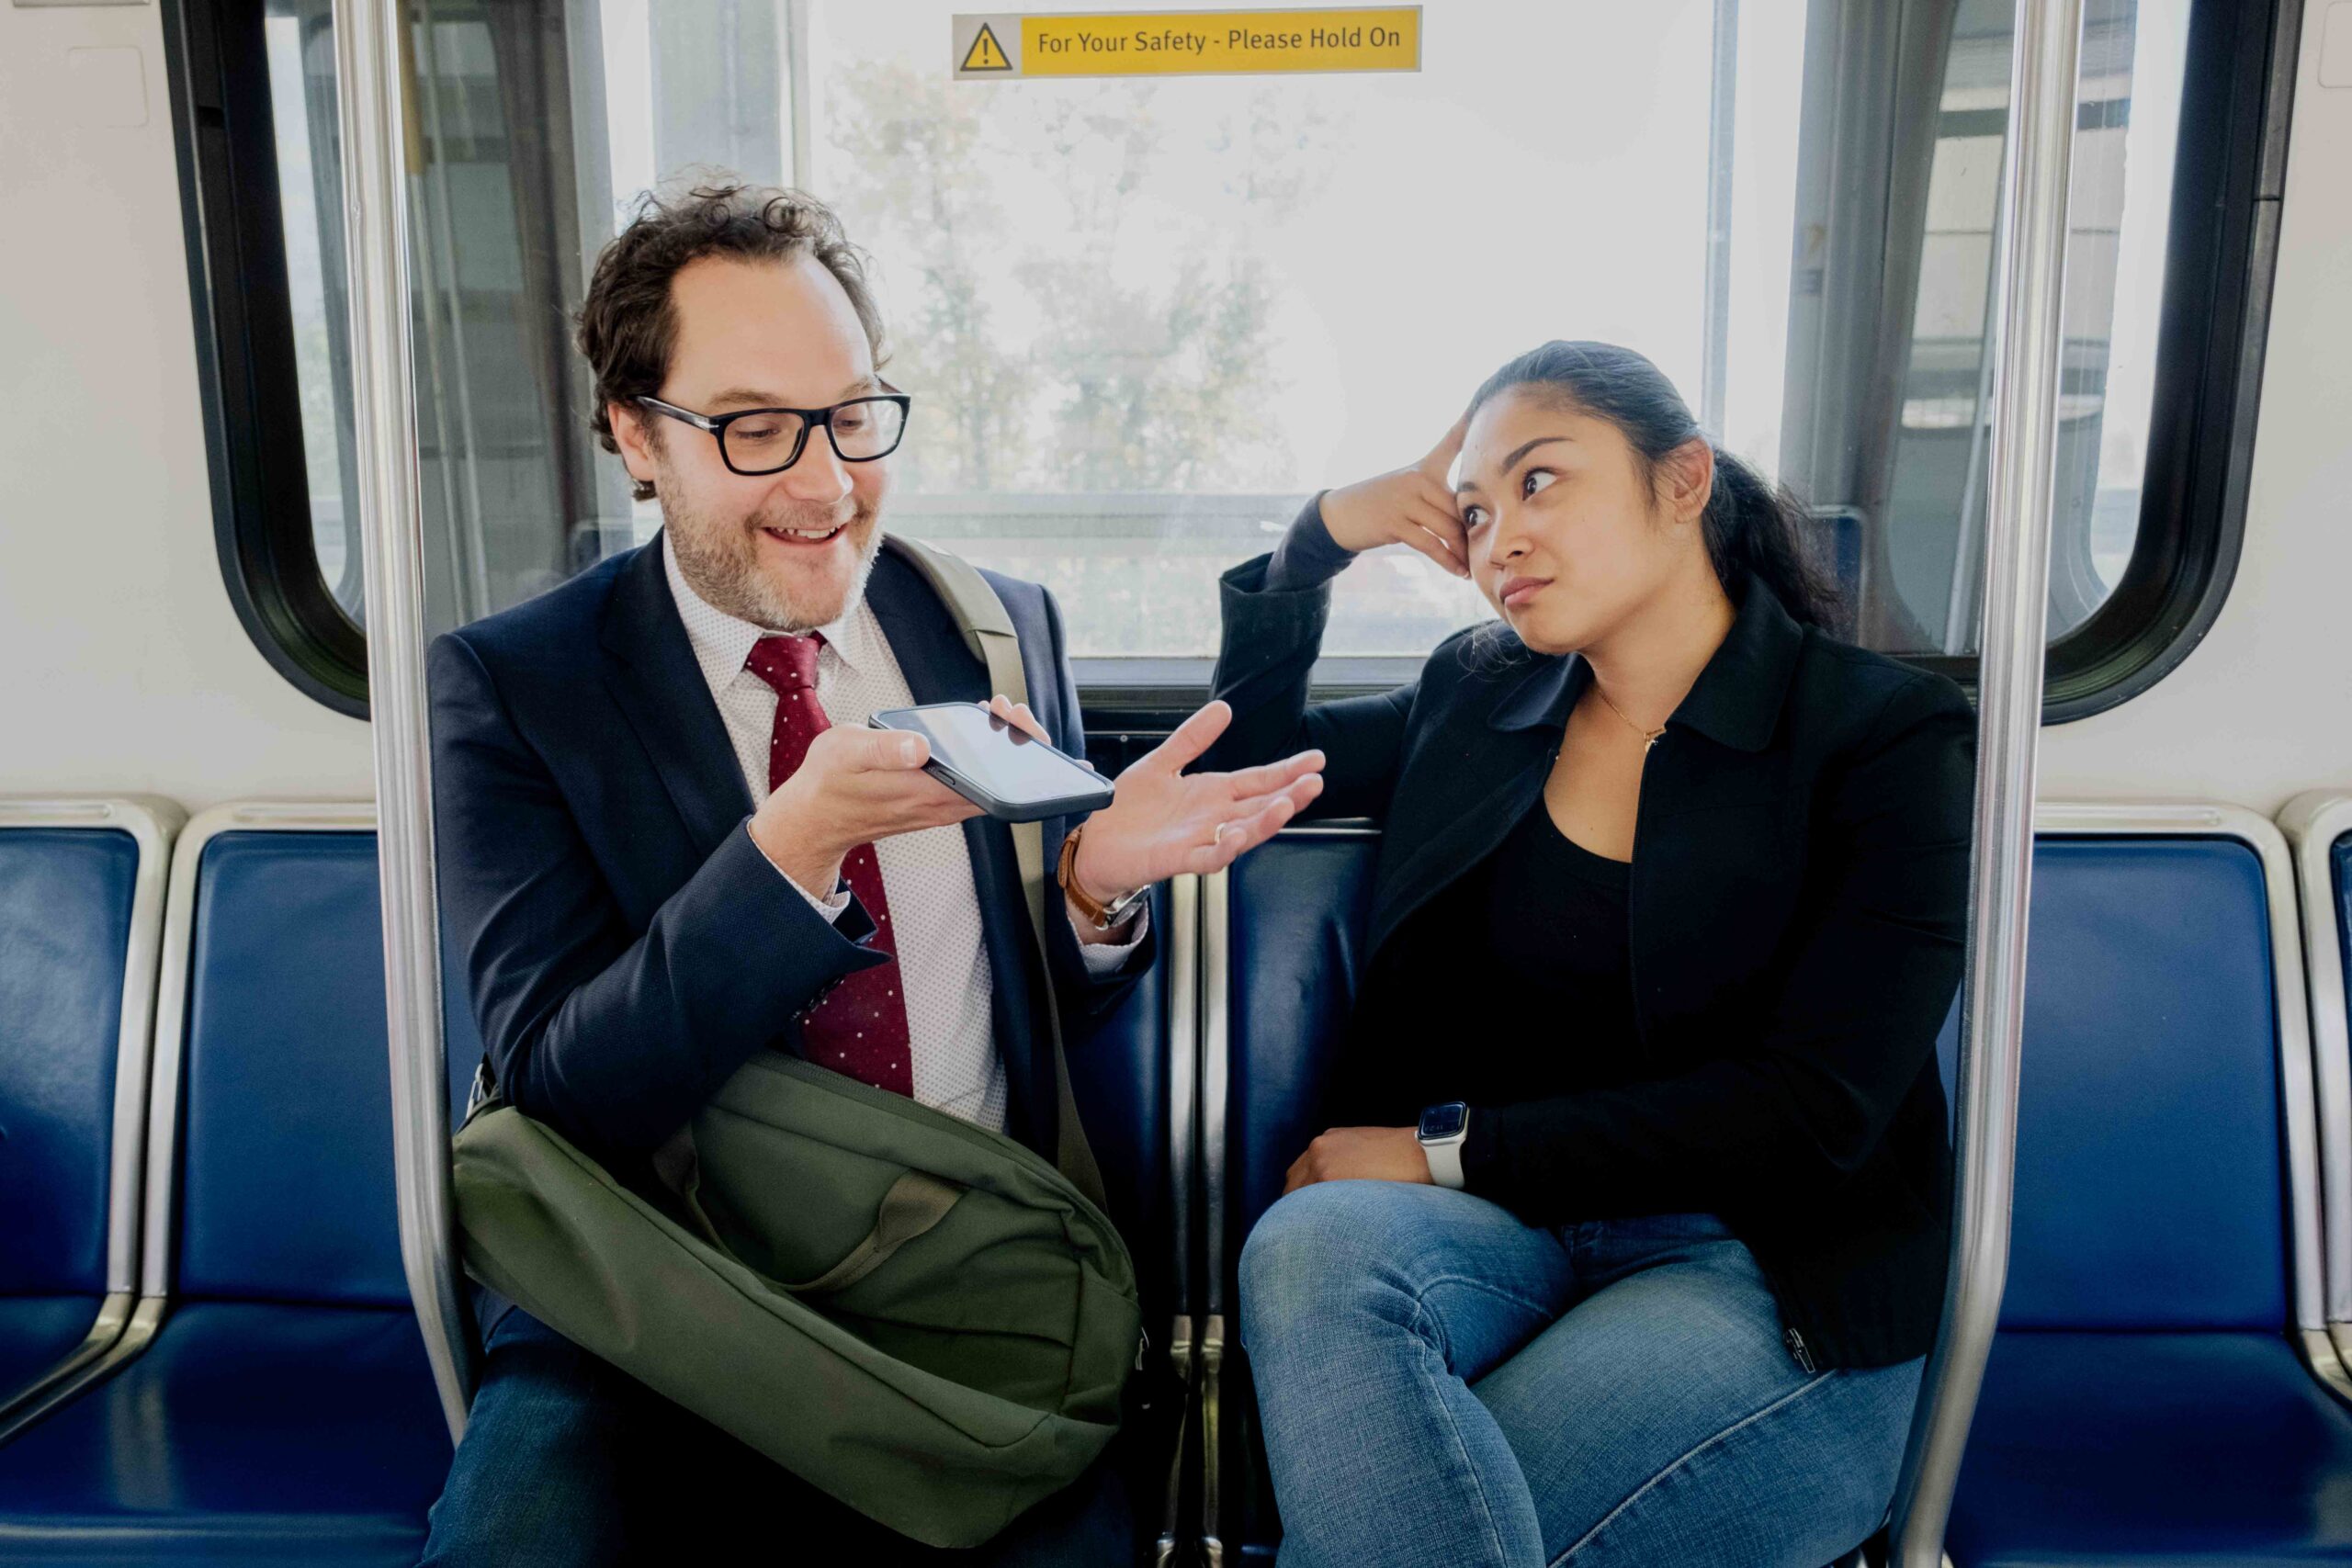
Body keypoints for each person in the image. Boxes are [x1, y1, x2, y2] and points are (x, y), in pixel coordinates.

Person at [419, 183, 1323, 1565]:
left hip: (970, 1278)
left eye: (850, 415)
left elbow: (1041, 1011)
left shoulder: (996, 630)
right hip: (653, 1292)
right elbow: (563, 1090)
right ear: (635, 437)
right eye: (756, 427)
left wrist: (1091, 892)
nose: (827, 483)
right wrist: (792, 849)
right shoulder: (519, 686)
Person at [1206, 342, 1973, 1567]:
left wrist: (1443, 1150)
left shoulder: (1884, 739)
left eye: (1540, 482)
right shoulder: (1480, 693)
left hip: (1759, 1267)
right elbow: (1235, 772)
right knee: (1307, 1245)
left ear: (1682, 484)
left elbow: (1815, 1109)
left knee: (1402, 1524)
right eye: (1474, 510)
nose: (1496, 536)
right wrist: (1317, 543)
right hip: (1507, 1239)